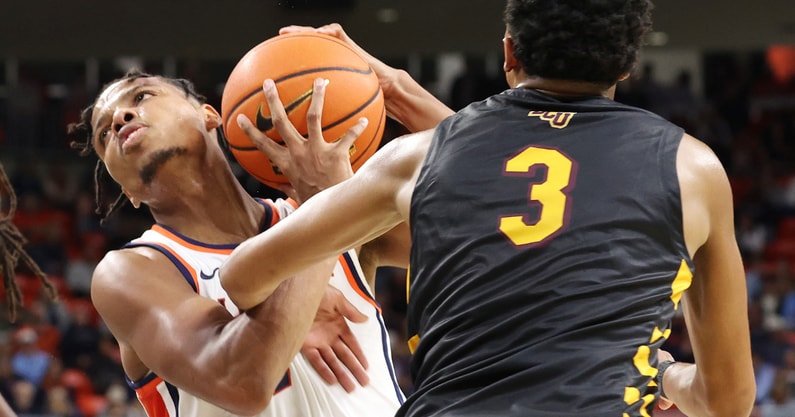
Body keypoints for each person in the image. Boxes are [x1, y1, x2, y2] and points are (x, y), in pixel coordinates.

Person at [219, 1, 756, 416]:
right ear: (630, 63)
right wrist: (663, 374)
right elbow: (727, 401)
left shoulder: (416, 159)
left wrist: (313, 297)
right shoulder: (695, 170)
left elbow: (242, 274)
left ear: (508, 53)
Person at [65, 69, 404, 416]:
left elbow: (459, 223)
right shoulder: (132, 271)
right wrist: (326, 208)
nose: (120, 119)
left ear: (209, 115)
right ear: (127, 191)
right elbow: (241, 383)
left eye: (142, 97)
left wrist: (398, 92)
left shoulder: (329, 204)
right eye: (104, 134)